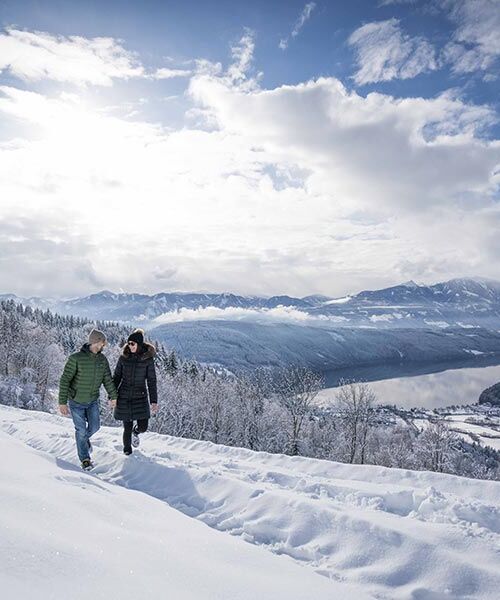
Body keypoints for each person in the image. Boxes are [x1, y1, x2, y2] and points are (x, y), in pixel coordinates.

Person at [59, 329, 118, 470]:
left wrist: (113, 396)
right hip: (76, 402)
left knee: (95, 427)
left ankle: (83, 441)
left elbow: (107, 380)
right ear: (95, 341)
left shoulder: (102, 360)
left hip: (92, 401)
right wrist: (62, 402)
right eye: (101, 343)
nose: (103, 346)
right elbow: (65, 380)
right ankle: (85, 459)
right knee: (80, 430)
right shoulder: (76, 358)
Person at [112, 328, 158, 455]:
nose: (130, 346)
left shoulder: (147, 359)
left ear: (139, 344)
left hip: (140, 396)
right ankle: (127, 453)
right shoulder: (123, 358)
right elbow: (116, 377)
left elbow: (151, 381)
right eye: (129, 343)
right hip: (124, 396)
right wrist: (112, 395)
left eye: (133, 343)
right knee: (126, 426)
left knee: (143, 427)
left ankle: (135, 432)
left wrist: (154, 401)